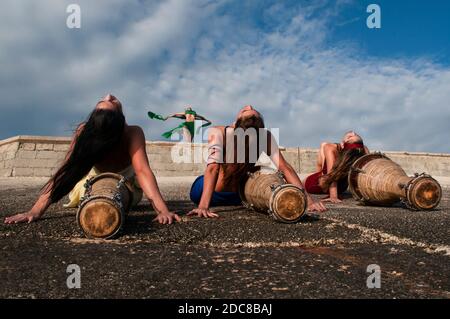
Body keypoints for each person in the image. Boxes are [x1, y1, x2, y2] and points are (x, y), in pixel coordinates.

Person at [4, 94, 180, 225]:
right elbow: (68, 169)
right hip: (91, 180)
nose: (109, 95)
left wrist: (162, 211)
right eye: (108, 102)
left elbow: (142, 171)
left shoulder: (133, 133)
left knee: (119, 193)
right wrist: (35, 211)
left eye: (107, 100)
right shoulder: (84, 131)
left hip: (128, 184)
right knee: (91, 193)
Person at [188, 105, 327, 218]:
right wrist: (308, 201)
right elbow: (285, 168)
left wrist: (203, 206)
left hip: (209, 193)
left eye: (245, 110)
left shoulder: (218, 132)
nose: (249, 105)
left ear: (236, 123)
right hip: (241, 196)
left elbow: (213, 168)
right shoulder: (264, 137)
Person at [304, 130, 369, 203]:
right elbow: (332, 174)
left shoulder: (361, 150)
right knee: (324, 145)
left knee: (302, 182)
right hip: (332, 186)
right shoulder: (331, 148)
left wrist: (333, 196)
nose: (353, 132)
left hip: (317, 185)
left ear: (343, 144)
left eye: (352, 136)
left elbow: (367, 172)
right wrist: (333, 196)